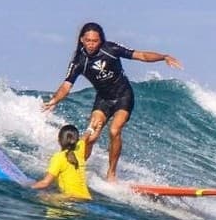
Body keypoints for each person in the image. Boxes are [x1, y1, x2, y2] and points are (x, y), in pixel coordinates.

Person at [42, 22, 182, 182]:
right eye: (88, 40)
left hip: (123, 96)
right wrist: (54, 100)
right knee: (92, 136)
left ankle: (112, 172)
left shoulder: (111, 49)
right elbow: (66, 85)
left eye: (95, 41)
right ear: (82, 39)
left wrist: (163, 57)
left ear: (100, 40)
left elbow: (141, 55)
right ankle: (77, 168)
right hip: (103, 99)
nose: (91, 44)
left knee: (114, 131)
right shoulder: (79, 61)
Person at [31, 124, 92, 200]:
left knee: (41, 196)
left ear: (59, 140)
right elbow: (84, 138)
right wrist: (90, 129)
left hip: (71, 199)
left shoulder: (58, 157)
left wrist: (28, 187)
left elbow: (45, 183)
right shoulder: (79, 151)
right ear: (76, 141)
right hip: (87, 198)